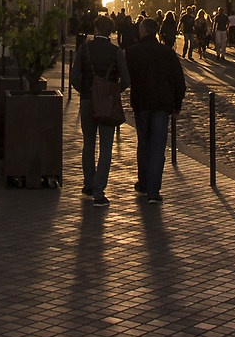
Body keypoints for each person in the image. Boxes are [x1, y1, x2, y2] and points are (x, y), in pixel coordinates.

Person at [124, 20, 187, 203]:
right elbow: (179, 81)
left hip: (141, 104)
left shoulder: (133, 52)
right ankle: (153, 191)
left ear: (143, 31)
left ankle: (143, 183)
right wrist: (177, 105)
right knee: (158, 148)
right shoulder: (167, 52)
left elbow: (125, 78)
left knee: (143, 144)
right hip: (162, 105)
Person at [75, 15, 130, 206]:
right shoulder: (116, 52)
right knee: (106, 147)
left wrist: (86, 92)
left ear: (96, 29)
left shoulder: (84, 48)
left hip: (88, 101)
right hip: (107, 103)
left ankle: (88, 183)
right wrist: (111, 92)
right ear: (111, 31)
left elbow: (74, 77)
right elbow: (127, 79)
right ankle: (99, 192)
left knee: (88, 143)